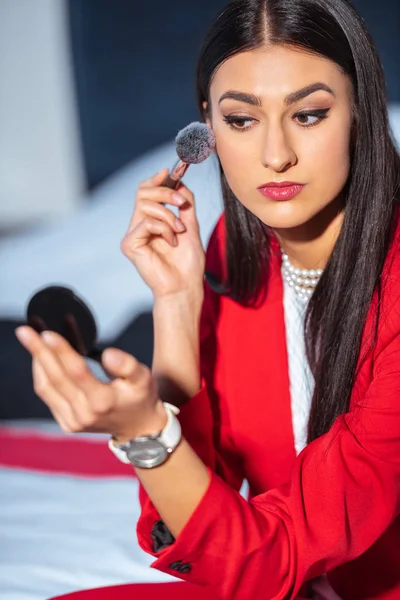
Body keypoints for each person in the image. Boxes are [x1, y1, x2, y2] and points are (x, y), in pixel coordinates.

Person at [15, 0, 400, 598]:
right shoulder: (233, 254)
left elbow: (268, 559)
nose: (276, 155)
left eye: (310, 114)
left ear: (361, 115)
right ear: (207, 129)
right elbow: (187, 532)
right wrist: (175, 302)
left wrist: (145, 432)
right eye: (242, 120)